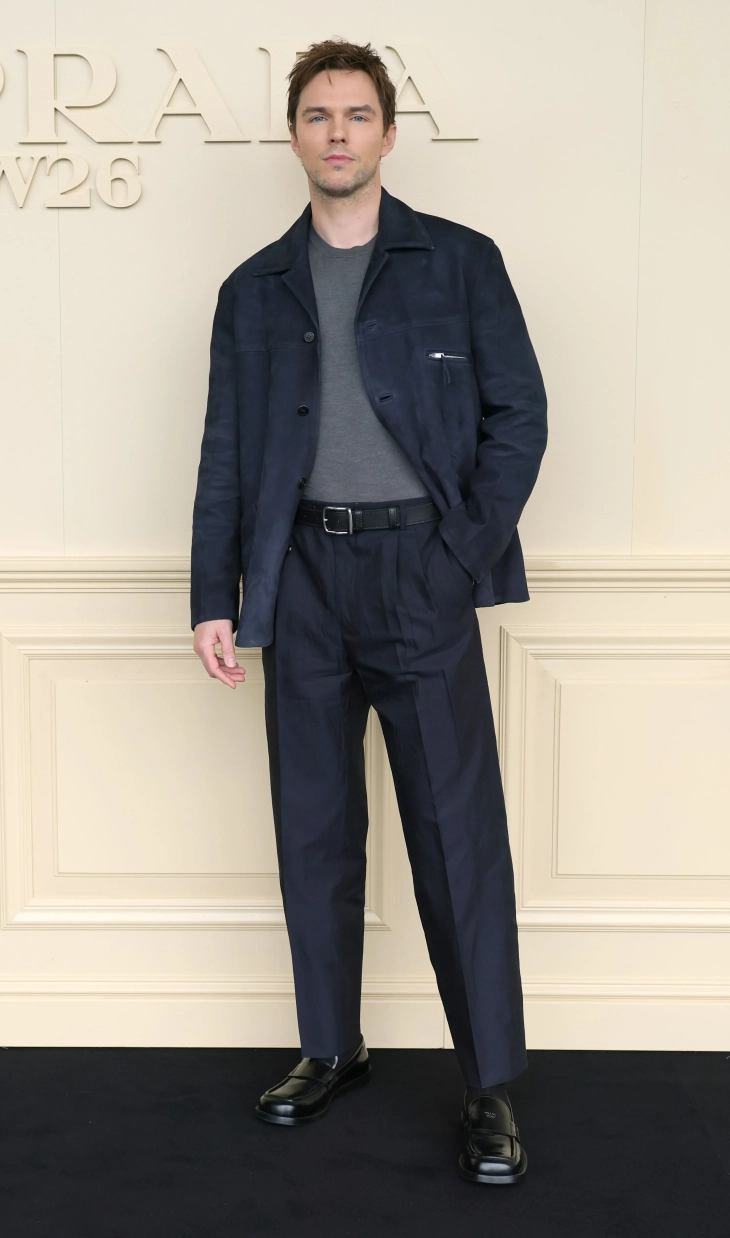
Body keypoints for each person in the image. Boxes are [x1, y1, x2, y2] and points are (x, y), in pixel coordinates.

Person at [190, 39, 546, 1185]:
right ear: (294, 135)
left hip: (418, 572)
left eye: (355, 114)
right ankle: (330, 1043)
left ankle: (488, 1086)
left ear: (388, 133)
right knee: (312, 825)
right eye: (316, 114)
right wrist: (214, 596)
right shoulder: (253, 289)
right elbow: (226, 454)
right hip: (299, 578)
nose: (336, 132)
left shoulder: (460, 262)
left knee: (455, 836)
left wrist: (457, 552)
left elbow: (520, 416)